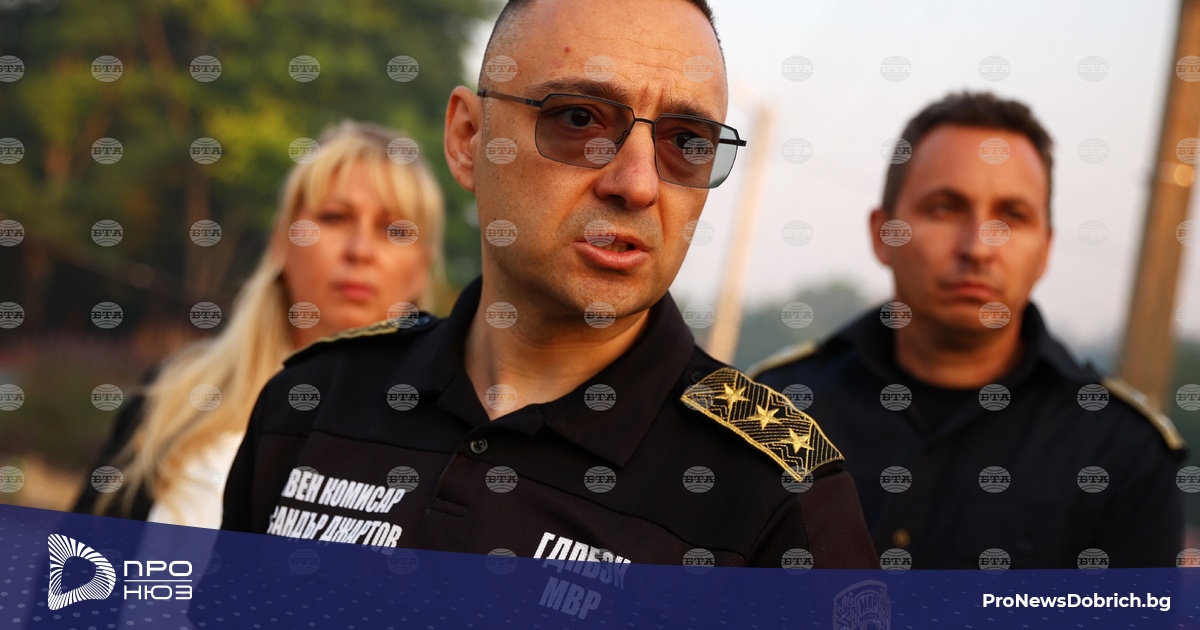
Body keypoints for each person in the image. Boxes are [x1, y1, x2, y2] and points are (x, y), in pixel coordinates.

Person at [222, 0, 878, 569]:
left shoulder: (776, 494)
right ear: (468, 138)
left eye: (686, 142)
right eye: (579, 120)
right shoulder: (316, 401)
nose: (638, 184)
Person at [752, 91, 1187, 569]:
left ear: (1045, 250)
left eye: (1012, 216)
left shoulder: (1124, 453)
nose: (979, 247)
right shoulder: (775, 410)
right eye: (945, 208)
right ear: (883, 234)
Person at [73, 120, 446, 527]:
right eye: (335, 217)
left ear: (421, 268)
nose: (360, 250)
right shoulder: (171, 401)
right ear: (283, 241)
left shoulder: (445, 452)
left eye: (393, 230)